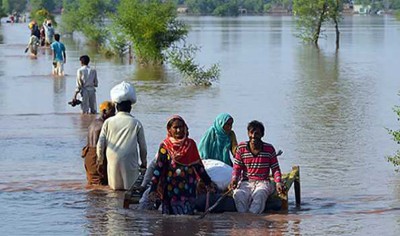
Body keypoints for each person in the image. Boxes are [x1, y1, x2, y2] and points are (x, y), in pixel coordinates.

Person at [148, 115, 215, 215]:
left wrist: (208, 183)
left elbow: (198, 167)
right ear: (169, 129)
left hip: (188, 189)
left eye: (181, 127)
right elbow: (159, 168)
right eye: (175, 128)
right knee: (170, 220)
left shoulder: (191, 145)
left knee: (187, 218)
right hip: (170, 189)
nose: (179, 130)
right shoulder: (165, 146)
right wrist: (153, 188)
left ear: (185, 128)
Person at [96, 86, 147, 190]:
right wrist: (143, 164)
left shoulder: (108, 122)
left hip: (112, 160)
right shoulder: (136, 123)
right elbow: (143, 147)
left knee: (114, 191)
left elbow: (100, 145)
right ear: (130, 107)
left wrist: (100, 161)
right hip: (130, 162)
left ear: (116, 107)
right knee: (129, 190)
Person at [229, 120, 284, 214]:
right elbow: (237, 167)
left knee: (260, 195)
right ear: (248, 134)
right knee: (238, 195)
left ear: (262, 135)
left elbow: (275, 169)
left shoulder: (269, 149)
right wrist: (234, 180)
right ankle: (244, 220)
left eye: (257, 133)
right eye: (251, 133)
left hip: (263, 182)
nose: (253, 136)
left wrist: (278, 182)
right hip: (246, 182)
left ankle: (254, 221)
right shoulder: (241, 148)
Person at [81, 101, 115, 185]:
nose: (114, 115)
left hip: (88, 156)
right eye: (112, 113)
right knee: (100, 185)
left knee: (92, 184)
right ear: (104, 112)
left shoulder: (93, 123)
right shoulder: (104, 125)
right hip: (96, 157)